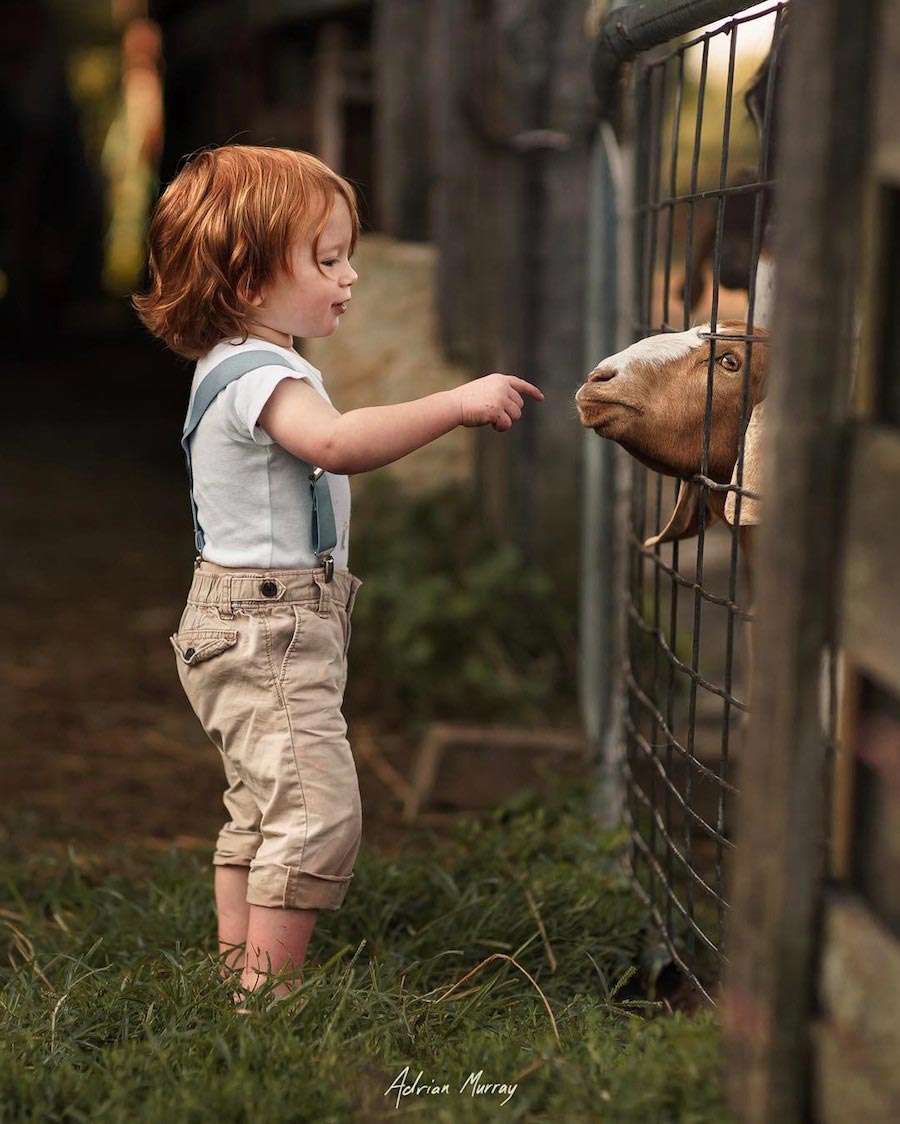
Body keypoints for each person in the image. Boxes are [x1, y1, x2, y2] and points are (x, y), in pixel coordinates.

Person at [131, 144, 543, 1002]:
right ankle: (268, 1000)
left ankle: (237, 975)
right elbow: (335, 443)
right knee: (314, 814)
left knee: (259, 806)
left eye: (344, 253)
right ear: (244, 281)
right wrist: (456, 403)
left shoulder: (232, 366)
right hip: (269, 627)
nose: (349, 275)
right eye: (326, 259)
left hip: (244, 621)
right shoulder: (266, 376)